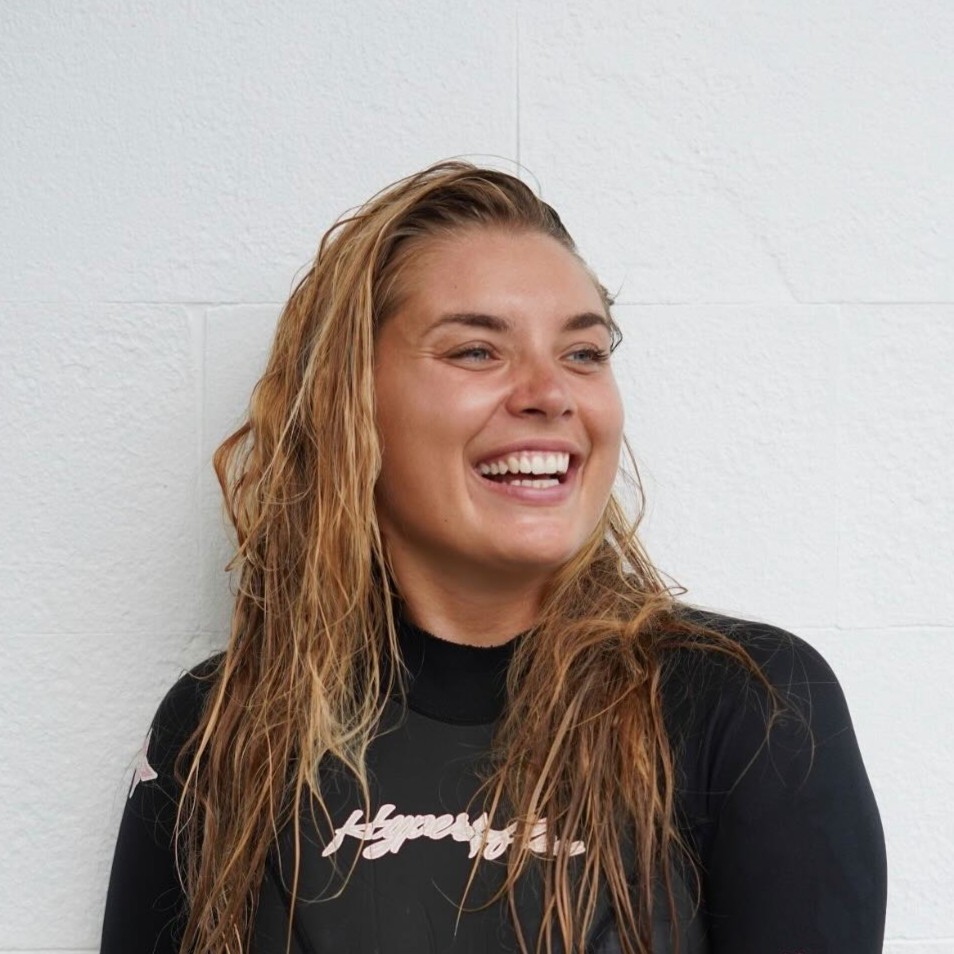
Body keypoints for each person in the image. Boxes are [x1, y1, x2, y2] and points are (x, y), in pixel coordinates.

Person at [100, 161, 887, 954]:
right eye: (477, 351)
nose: (551, 393)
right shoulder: (218, 729)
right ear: (351, 402)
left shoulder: (750, 707)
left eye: (584, 353)